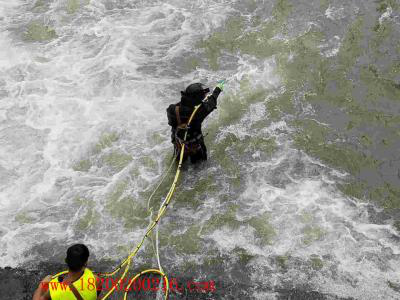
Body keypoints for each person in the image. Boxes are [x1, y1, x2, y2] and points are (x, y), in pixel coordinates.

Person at [166, 80, 225, 163]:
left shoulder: (172, 109)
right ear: (196, 98)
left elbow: (171, 123)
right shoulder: (200, 112)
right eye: (202, 96)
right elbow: (212, 101)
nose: (204, 96)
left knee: (179, 164)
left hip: (179, 145)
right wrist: (218, 88)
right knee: (200, 167)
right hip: (196, 147)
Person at [33, 244, 100, 300]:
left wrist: (42, 285)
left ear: (66, 261)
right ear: (85, 263)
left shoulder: (54, 288)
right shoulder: (96, 279)